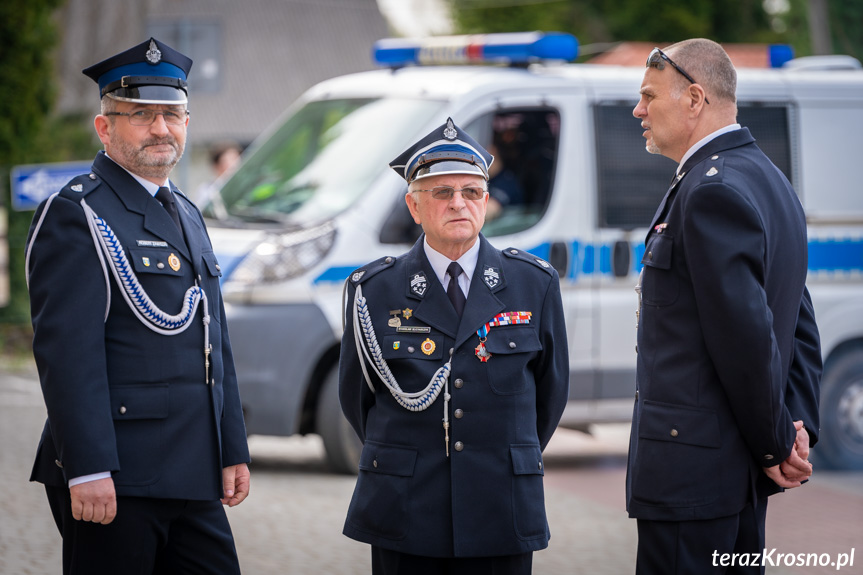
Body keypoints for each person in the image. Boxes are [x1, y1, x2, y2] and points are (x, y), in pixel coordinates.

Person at [25, 38, 250, 574]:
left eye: (172, 115)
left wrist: (231, 445)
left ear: (188, 124)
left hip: (193, 470)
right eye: (141, 115)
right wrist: (87, 466)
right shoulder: (75, 212)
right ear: (105, 129)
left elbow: (214, 340)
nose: (160, 129)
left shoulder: (189, 214)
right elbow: (67, 353)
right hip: (118, 474)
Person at [338, 117, 569, 575]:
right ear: (414, 205)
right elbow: (358, 398)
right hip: (407, 507)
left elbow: (550, 396)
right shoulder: (375, 289)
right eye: (442, 193)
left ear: (486, 200)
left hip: (499, 504)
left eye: (472, 192)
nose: (459, 203)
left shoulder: (533, 284)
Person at [628, 39, 822, 574]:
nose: (638, 110)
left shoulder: (711, 189)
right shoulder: (769, 180)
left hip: (694, 476)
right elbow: (798, 320)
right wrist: (795, 428)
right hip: (731, 472)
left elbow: (746, 336)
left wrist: (776, 443)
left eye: (648, 96)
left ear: (694, 98)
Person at [195, 140, 242, 207]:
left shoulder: (243, 188)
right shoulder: (206, 191)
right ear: (216, 165)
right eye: (230, 159)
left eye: (236, 159)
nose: (235, 164)